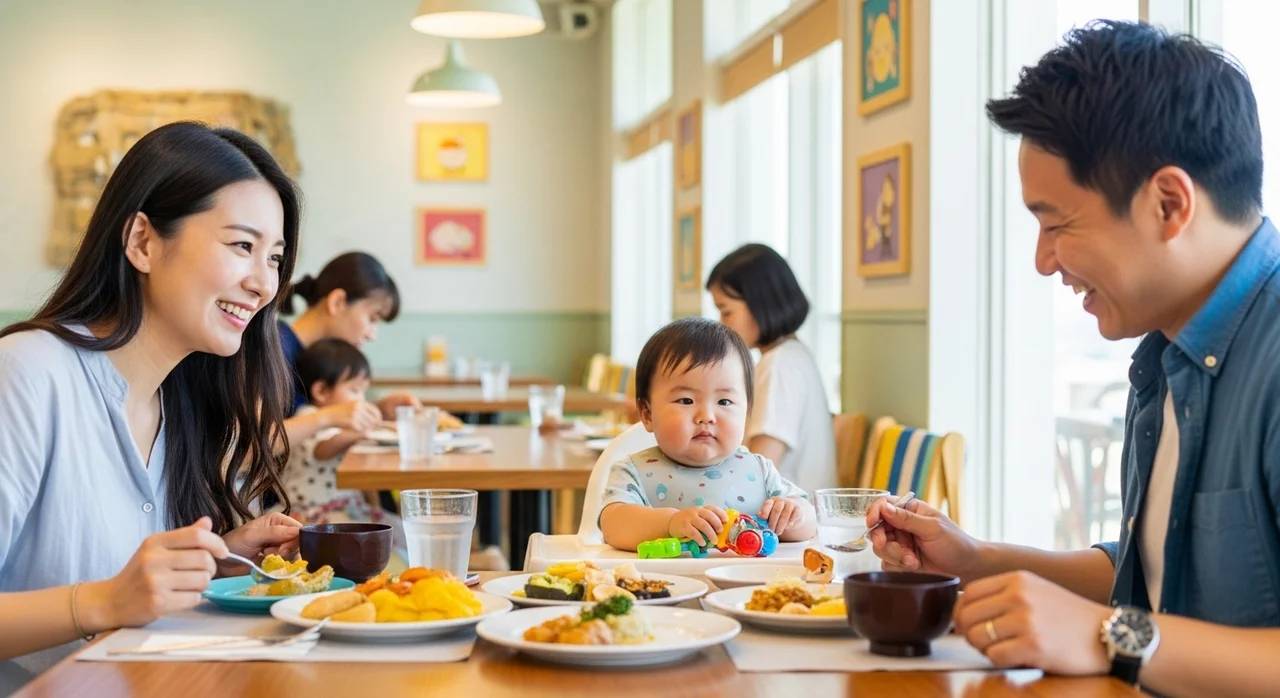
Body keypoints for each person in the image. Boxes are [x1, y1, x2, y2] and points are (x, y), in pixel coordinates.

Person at [867, 21, 1280, 697]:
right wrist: (976, 559)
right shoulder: (1166, 355)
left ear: (1169, 203)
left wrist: (1107, 634)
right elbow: (1157, 573)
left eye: (1057, 224)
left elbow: (1133, 623)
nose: (1042, 260)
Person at [0, 121, 304, 692]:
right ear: (142, 241)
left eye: (275, 258)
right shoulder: (26, 373)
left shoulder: (178, 403)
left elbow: (126, 588)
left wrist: (213, 562)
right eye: (243, 246)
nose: (264, 284)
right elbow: (110, 597)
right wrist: (104, 601)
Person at [599, 317, 817, 551]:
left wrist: (792, 514)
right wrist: (671, 523)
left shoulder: (760, 471)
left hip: (744, 576)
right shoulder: (633, 472)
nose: (706, 416)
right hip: (665, 576)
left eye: (724, 401)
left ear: (747, 412)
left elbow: (809, 525)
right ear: (647, 413)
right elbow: (613, 525)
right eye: (686, 400)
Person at [706, 243, 837, 495]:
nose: (722, 324)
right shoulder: (792, 355)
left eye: (726, 312)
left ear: (760, 305)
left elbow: (757, 474)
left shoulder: (780, 367)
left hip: (791, 513)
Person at [278, 252, 422, 458]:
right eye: (372, 318)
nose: (372, 335)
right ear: (337, 302)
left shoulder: (313, 355)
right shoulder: (274, 348)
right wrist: (328, 417)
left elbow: (308, 417)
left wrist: (375, 411)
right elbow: (254, 444)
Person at [282, 338, 402, 541]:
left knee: (399, 531)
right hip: (314, 512)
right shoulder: (309, 417)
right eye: (354, 390)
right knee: (376, 539)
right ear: (321, 391)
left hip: (347, 506)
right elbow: (322, 449)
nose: (361, 399)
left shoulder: (341, 423)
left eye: (363, 391)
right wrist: (360, 433)